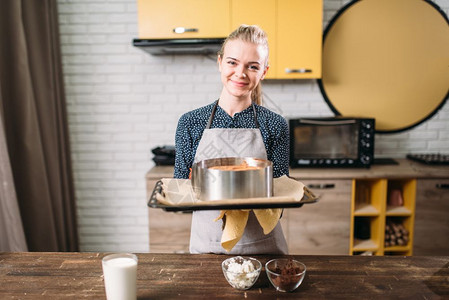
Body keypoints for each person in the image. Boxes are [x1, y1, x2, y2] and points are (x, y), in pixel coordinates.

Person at [174, 24, 289, 254]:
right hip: (208, 249)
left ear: (264, 72)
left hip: (263, 251)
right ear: (220, 63)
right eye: (232, 62)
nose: (240, 73)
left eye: (252, 66)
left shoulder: (275, 125)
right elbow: (180, 191)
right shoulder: (191, 122)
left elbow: (282, 197)